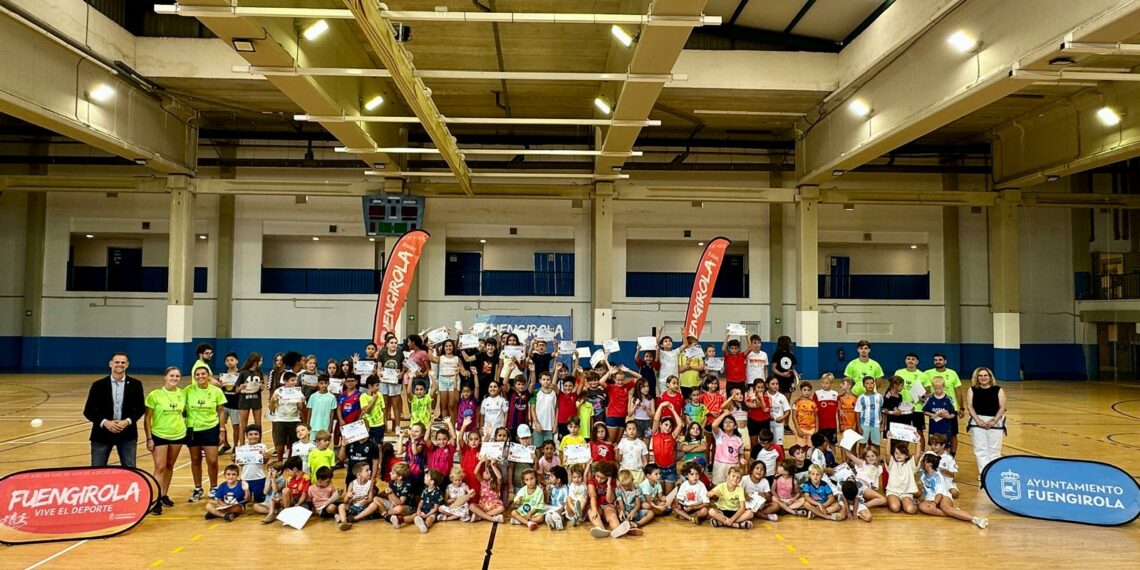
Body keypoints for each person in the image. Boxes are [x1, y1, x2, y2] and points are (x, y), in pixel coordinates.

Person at [84, 351, 145, 468]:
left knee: (130, 469)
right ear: (110, 364)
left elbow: (140, 408)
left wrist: (127, 421)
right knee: (97, 469)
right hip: (101, 434)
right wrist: (105, 423)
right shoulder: (98, 385)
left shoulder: (136, 384)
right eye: (117, 362)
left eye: (123, 362)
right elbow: (89, 411)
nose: (120, 364)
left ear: (127, 364)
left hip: (127, 434)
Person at [144, 366, 187, 514]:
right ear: (165, 377)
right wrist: (149, 438)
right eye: (171, 376)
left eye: (177, 376)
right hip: (159, 434)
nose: (174, 378)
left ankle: (163, 494)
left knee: (169, 465)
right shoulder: (154, 395)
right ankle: (154, 499)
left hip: (178, 434)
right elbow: (147, 418)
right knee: (160, 466)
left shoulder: (183, 394)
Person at [185, 365, 227, 503]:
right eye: (197, 374)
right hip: (192, 429)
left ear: (208, 375)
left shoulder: (216, 391)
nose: (200, 377)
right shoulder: (187, 391)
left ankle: (214, 487)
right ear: (194, 376)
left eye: (203, 374)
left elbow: (221, 411)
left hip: (210, 428)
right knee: (195, 460)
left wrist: (222, 429)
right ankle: (198, 488)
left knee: (212, 460)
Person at [918, 454, 988, 528]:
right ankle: (954, 512)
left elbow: (939, 493)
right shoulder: (921, 472)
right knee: (922, 507)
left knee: (946, 508)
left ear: (929, 464)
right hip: (930, 498)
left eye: (923, 461)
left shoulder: (938, 477)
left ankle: (975, 519)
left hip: (943, 496)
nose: (921, 462)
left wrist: (934, 504)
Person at [966, 367, 1006, 474]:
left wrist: (994, 420)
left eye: (985, 375)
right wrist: (978, 420)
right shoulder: (972, 389)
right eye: (980, 376)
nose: (983, 378)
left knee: (995, 450)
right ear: (977, 377)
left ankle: (994, 473)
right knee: (980, 450)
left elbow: (1002, 407)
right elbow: (970, 406)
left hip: (995, 422)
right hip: (977, 422)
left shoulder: (998, 389)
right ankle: (984, 473)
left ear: (990, 377)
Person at [924, 353, 964, 453]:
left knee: (953, 434)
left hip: (950, 409)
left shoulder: (952, 373)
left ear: (945, 361)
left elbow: (958, 391)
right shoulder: (927, 373)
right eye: (936, 360)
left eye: (940, 359)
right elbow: (924, 389)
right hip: (935, 410)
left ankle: (952, 456)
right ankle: (935, 455)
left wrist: (961, 407)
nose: (938, 361)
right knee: (935, 434)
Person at [336, 463, 379, 531]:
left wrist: (366, 501)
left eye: (369, 470)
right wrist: (348, 496)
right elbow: (345, 501)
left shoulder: (370, 483)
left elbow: (370, 499)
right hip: (354, 507)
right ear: (359, 474)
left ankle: (354, 518)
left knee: (374, 505)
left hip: (364, 508)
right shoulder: (352, 484)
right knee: (341, 506)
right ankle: (344, 522)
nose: (370, 472)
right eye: (367, 470)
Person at [378, 336, 406, 434]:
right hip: (384, 382)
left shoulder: (400, 354)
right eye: (392, 342)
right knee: (384, 405)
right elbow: (379, 367)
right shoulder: (382, 353)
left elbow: (404, 367)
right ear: (387, 344)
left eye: (395, 342)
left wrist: (402, 374)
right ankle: (384, 426)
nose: (394, 344)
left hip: (395, 382)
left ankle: (398, 427)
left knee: (395, 405)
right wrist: (379, 373)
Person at [236, 353, 264, 443]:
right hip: (244, 401)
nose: (261, 362)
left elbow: (261, 386)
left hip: (256, 400)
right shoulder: (243, 373)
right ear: (255, 362)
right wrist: (241, 387)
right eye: (260, 360)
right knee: (243, 425)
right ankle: (242, 445)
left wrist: (261, 387)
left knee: (258, 424)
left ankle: (258, 445)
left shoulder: (259, 373)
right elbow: (236, 390)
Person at [884, 444, 919, 515]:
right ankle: (898, 502)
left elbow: (917, 455)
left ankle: (912, 502)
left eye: (902, 453)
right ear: (893, 454)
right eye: (896, 453)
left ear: (906, 456)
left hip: (906, 493)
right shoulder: (892, 463)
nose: (899, 455)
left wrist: (917, 441)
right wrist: (889, 438)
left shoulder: (910, 464)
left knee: (910, 510)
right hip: (893, 492)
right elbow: (887, 454)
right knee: (895, 508)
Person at [217, 352, 241, 454]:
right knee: (220, 425)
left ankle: (236, 446)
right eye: (227, 361)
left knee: (236, 426)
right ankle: (226, 444)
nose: (229, 362)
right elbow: (219, 388)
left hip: (236, 405)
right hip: (224, 404)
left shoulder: (241, 374)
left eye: (232, 360)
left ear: (236, 361)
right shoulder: (223, 374)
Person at [853, 376, 883, 456]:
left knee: (876, 445)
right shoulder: (861, 398)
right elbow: (857, 412)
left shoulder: (879, 397)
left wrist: (882, 423)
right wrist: (859, 426)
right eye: (867, 383)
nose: (870, 385)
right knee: (862, 444)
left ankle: (876, 462)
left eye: (872, 383)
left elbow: (881, 410)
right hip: (864, 424)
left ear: (874, 384)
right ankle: (862, 462)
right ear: (864, 385)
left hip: (876, 425)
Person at [791, 382, 818, 448]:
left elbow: (816, 416)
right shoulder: (796, 402)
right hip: (801, 429)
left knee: (810, 448)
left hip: (811, 429)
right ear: (801, 390)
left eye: (808, 390)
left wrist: (816, 429)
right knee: (801, 448)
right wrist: (798, 429)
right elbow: (794, 416)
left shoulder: (813, 403)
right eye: (804, 390)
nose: (807, 392)